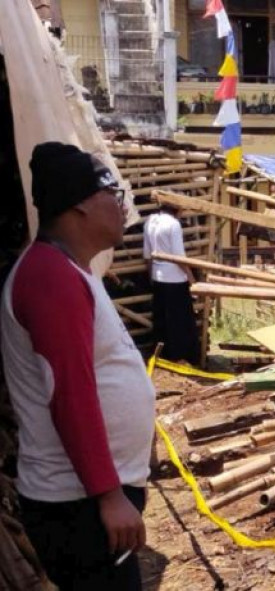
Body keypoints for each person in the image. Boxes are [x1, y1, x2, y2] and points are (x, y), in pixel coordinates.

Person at [1, 142, 155, 590]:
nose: (124, 205)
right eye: (115, 193)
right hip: (78, 504)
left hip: (87, 498)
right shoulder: (49, 276)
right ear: (82, 204)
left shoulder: (72, 269)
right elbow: (69, 392)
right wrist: (108, 495)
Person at [143, 202, 200, 365]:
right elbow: (179, 257)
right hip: (175, 278)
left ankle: (163, 357)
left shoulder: (150, 221)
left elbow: (148, 255)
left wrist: (151, 276)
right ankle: (181, 357)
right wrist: (191, 279)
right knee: (180, 321)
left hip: (158, 277)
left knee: (162, 320)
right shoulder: (173, 224)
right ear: (178, 209)